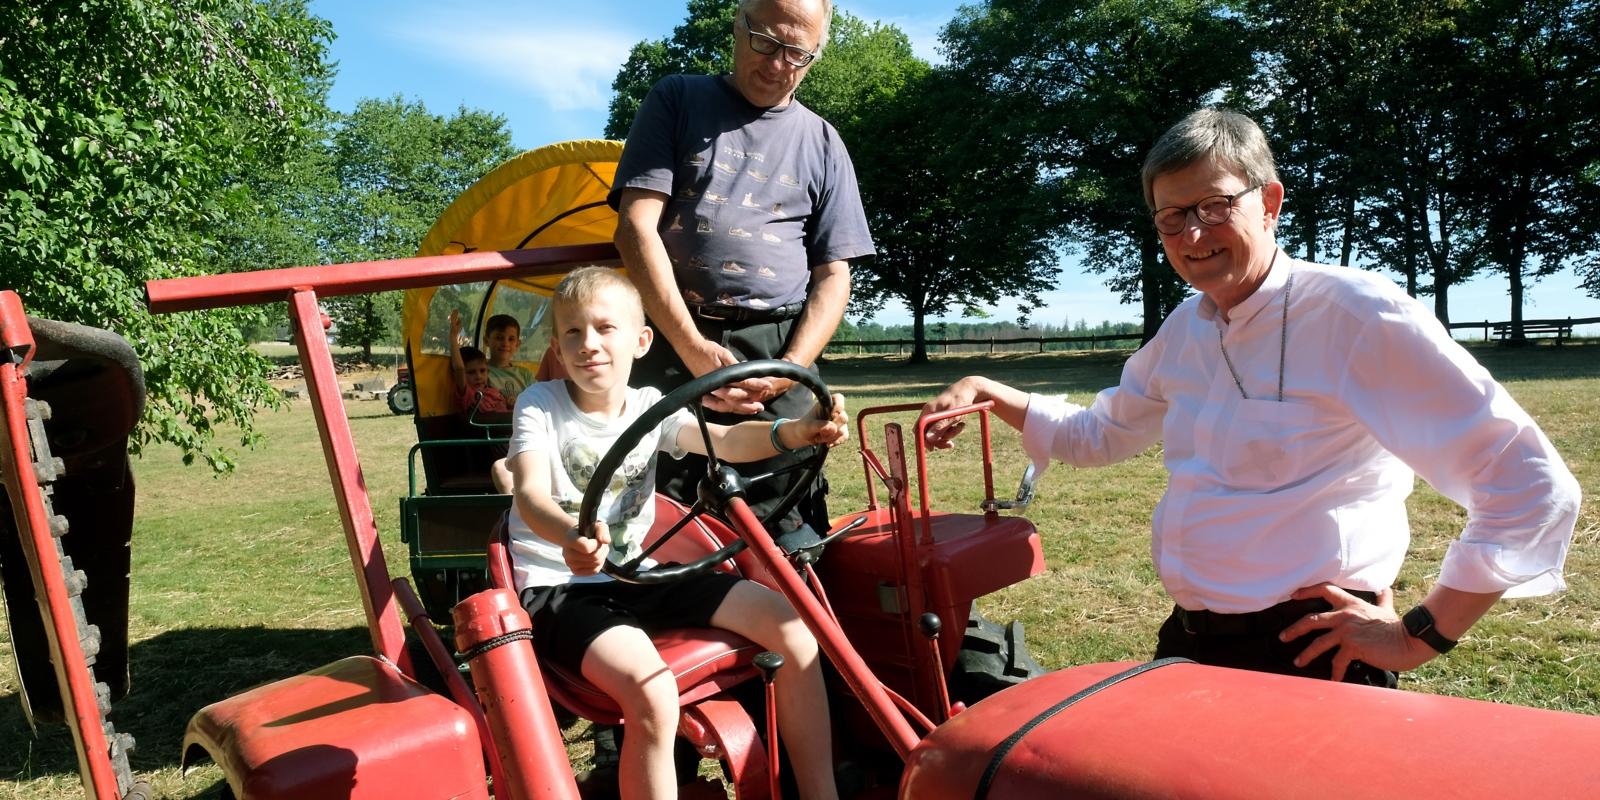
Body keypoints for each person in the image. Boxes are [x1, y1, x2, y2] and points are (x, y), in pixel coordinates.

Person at [920, 108, 1580, 686]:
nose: (1193, 236)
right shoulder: (1186, 329)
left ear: (1269, 202)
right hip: (1192, 641)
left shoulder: (1355, 314)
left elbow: (1526, 483)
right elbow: (1098, 435)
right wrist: (986, 389)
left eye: (1214, 207)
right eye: (1172, 218)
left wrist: (1418, 635)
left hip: (1312, 649)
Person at [507, 266, 846, 800]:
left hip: (637, 572)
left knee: (796, 627)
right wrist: (570, 535)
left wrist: (796, 431)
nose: (588, 344)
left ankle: (819, 792)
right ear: (556, 345)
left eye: (604, 328)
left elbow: (728, 442)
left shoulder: (649, 407)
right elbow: (527, 493)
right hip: (562, 585)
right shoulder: (542, 405)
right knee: (654, 692)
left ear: (642, 341)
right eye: (572, 332)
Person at [610, 0, 874, 535]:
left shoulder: (824, 142)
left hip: (779, 347)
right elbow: (635, 228)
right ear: (738, 24)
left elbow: (833, 275)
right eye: (766, 42)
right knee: (661, 524)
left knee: (787, 520)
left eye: (798, 52)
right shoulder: (677, 99)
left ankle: (792, 604)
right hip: (670, 341)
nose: (779, 64)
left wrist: (790, 367)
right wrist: (690, 347)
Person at [447, 342, 510, 416]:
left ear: (488, 372)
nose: (478, 376)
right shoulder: (468, 395)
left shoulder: (493, 391)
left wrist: (509, 404)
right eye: (471, 372)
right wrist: (453, 338)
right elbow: (459, 368)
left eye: (482, 371)